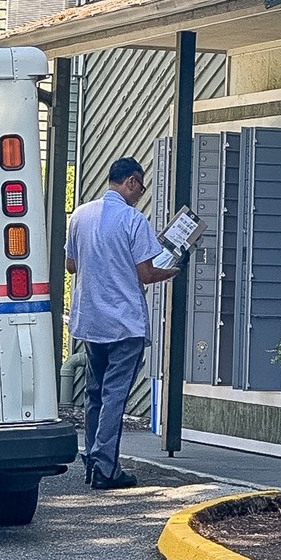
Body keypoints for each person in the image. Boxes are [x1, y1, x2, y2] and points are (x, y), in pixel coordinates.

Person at [65, 157, 180, 490]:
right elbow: (146, 273)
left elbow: (71, 265)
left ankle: (92, 459)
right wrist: (175, 269)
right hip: (125, 323)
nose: (140, 195)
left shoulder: (80, 216)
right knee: (115, 395)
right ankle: (106, 468)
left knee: (95, 392)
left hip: (90, 320)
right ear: (130, 181)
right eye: (140, 188)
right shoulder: (133, 220)